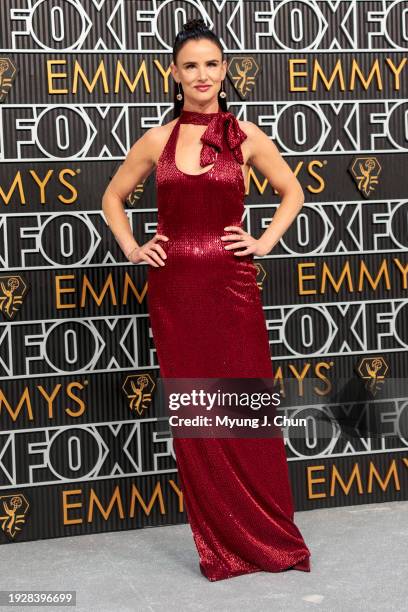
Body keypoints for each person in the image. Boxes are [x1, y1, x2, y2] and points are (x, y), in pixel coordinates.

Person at [102, 18, 311, 582]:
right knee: (199, 416)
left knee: (246, 411)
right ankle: (221, 544)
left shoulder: (245, 135)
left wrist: (263, 241)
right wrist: (132, 247)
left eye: (211, 64)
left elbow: (292, 191)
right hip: (175, 294)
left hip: (233, 289)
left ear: (224, 71)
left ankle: (270, 538)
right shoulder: (157, 139)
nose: (201, 74)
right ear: (174, 73)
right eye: (190, 65)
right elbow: (112, 197)